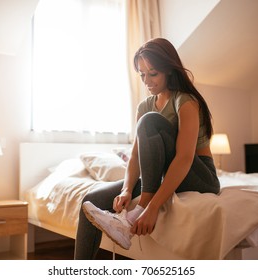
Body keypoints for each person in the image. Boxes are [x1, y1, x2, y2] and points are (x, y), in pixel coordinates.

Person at [74, 38, 220, 259]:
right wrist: (125, 189)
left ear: (169, 70)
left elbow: (184, 158)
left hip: (199, 175)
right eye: (142, 75)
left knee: (150, 121)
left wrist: (151, 207)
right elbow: (135, 156)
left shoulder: (186, 101)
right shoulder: (144, 106)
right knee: (90, 202)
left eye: (153, 73)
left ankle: (135, 213)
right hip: (162, 175)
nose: (147, 81)